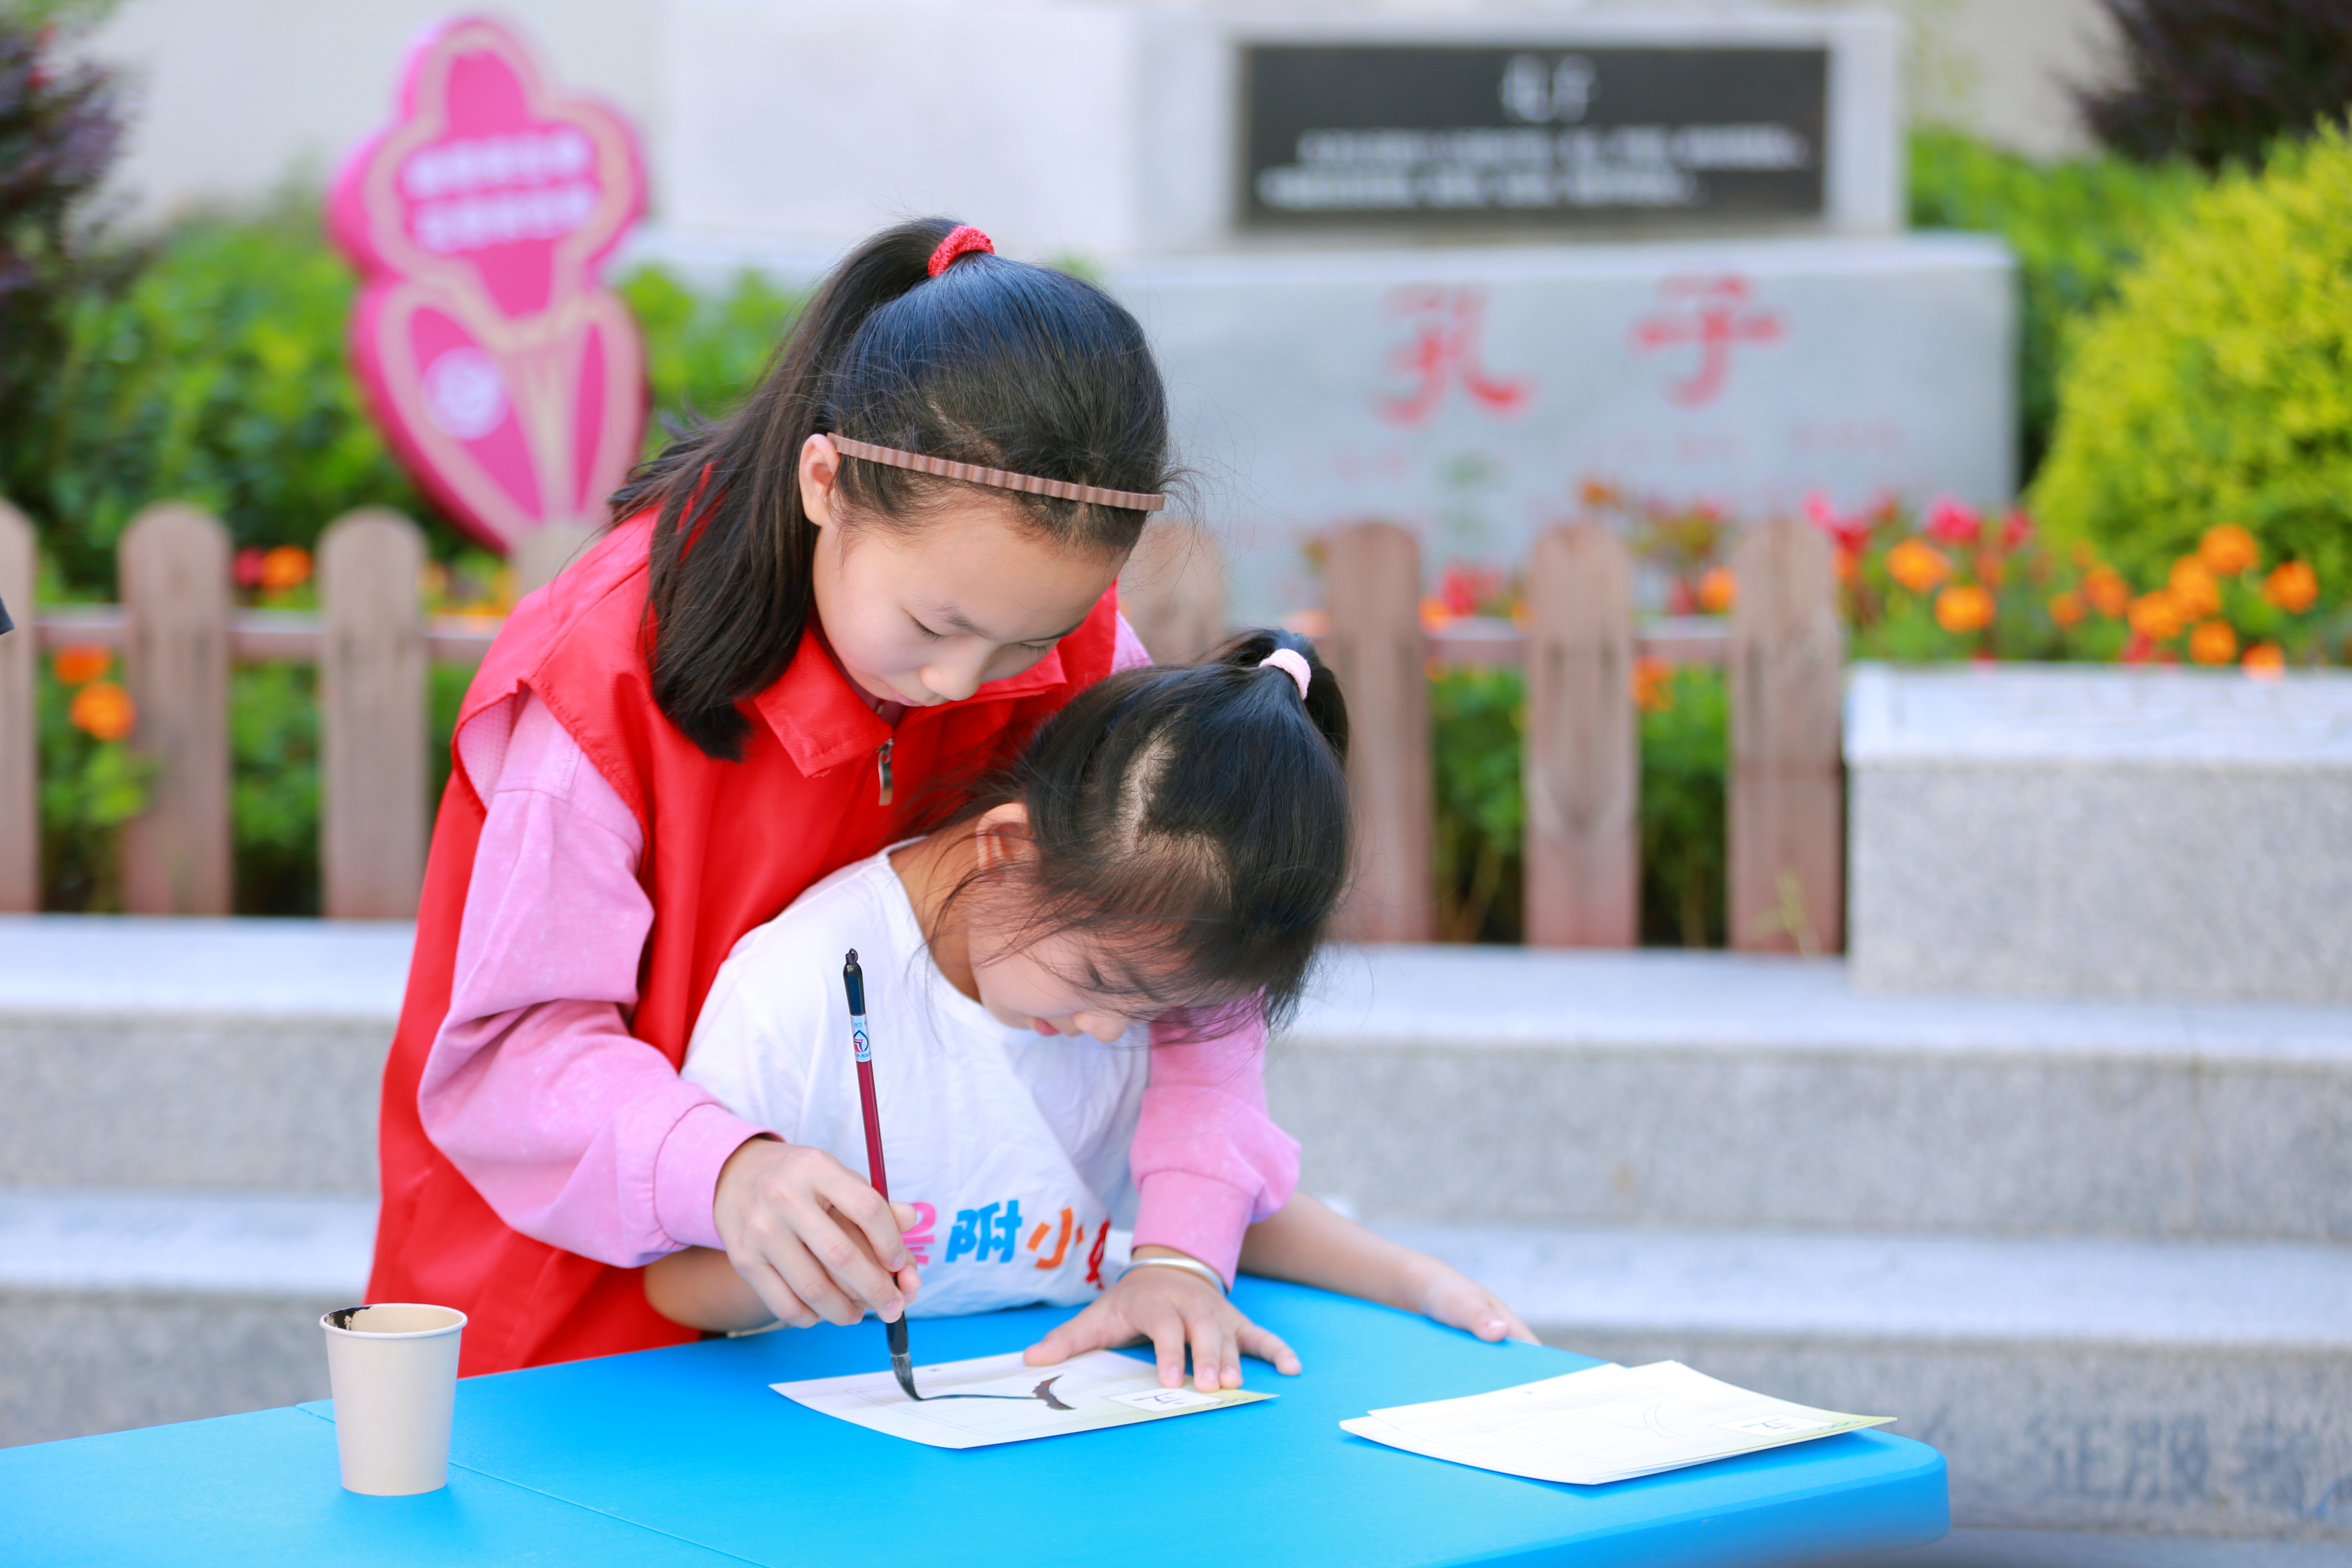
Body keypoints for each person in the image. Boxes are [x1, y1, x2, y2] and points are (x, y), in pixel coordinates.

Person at [368, 220, 1306, 1379]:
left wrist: (1184, 1248)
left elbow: (1183, 953)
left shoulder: (1078, 650)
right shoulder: (600, 671)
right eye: (934, 624)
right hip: (572, 1316)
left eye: (1033, 640)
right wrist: (723, 1168)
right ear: (828, 482)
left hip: (886, 1318)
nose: (964, 682)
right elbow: (513, 1049)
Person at [646, 631, 1534, 1380]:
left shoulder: (1124, 983)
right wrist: (804, 1265)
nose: (1114, 1031)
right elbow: (673, 1285)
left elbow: (1210, 1195)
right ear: (1006, 851)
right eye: (1103, 982)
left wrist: (1417, 1284)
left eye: (1155, 1009)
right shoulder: (801, 987)